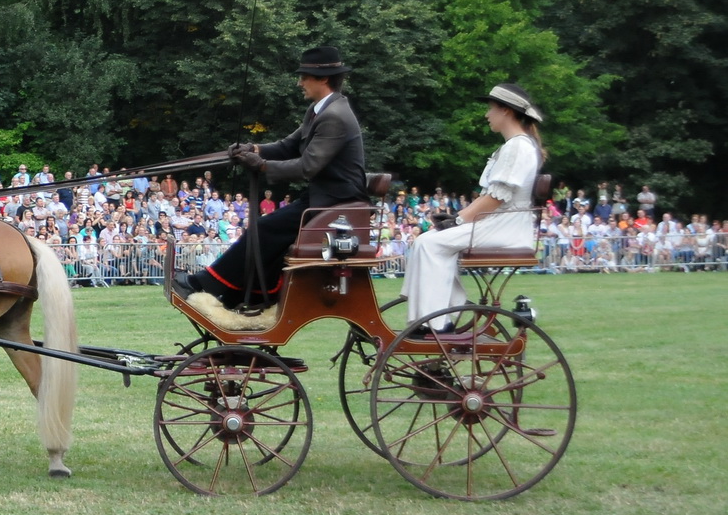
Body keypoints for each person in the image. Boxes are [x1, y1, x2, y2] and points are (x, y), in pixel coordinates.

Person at [176, 46, 367, 308]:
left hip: (336, 201)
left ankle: (208, 284)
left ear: (323, 79)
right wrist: (251, 150)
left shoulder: (335, 116)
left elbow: (308, 166)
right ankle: (249, 295)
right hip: (323, 197)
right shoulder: (318, 110)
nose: (300, 82)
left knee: (264, 228)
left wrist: (262, 165)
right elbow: (287, 145)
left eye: (305, 77)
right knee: (269, 235)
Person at [401, 83, 545, 332]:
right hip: (499, 222)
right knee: (428, 241)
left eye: (491, 109)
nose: (487, 114)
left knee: (429, 243)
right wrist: (457, 217)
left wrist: (458, 221)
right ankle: (437, 311)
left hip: (506, 226)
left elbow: (496, 198)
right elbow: (491, 197)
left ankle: (436, 321)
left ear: (506, 111)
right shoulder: (515, 146)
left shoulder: (518, 147)